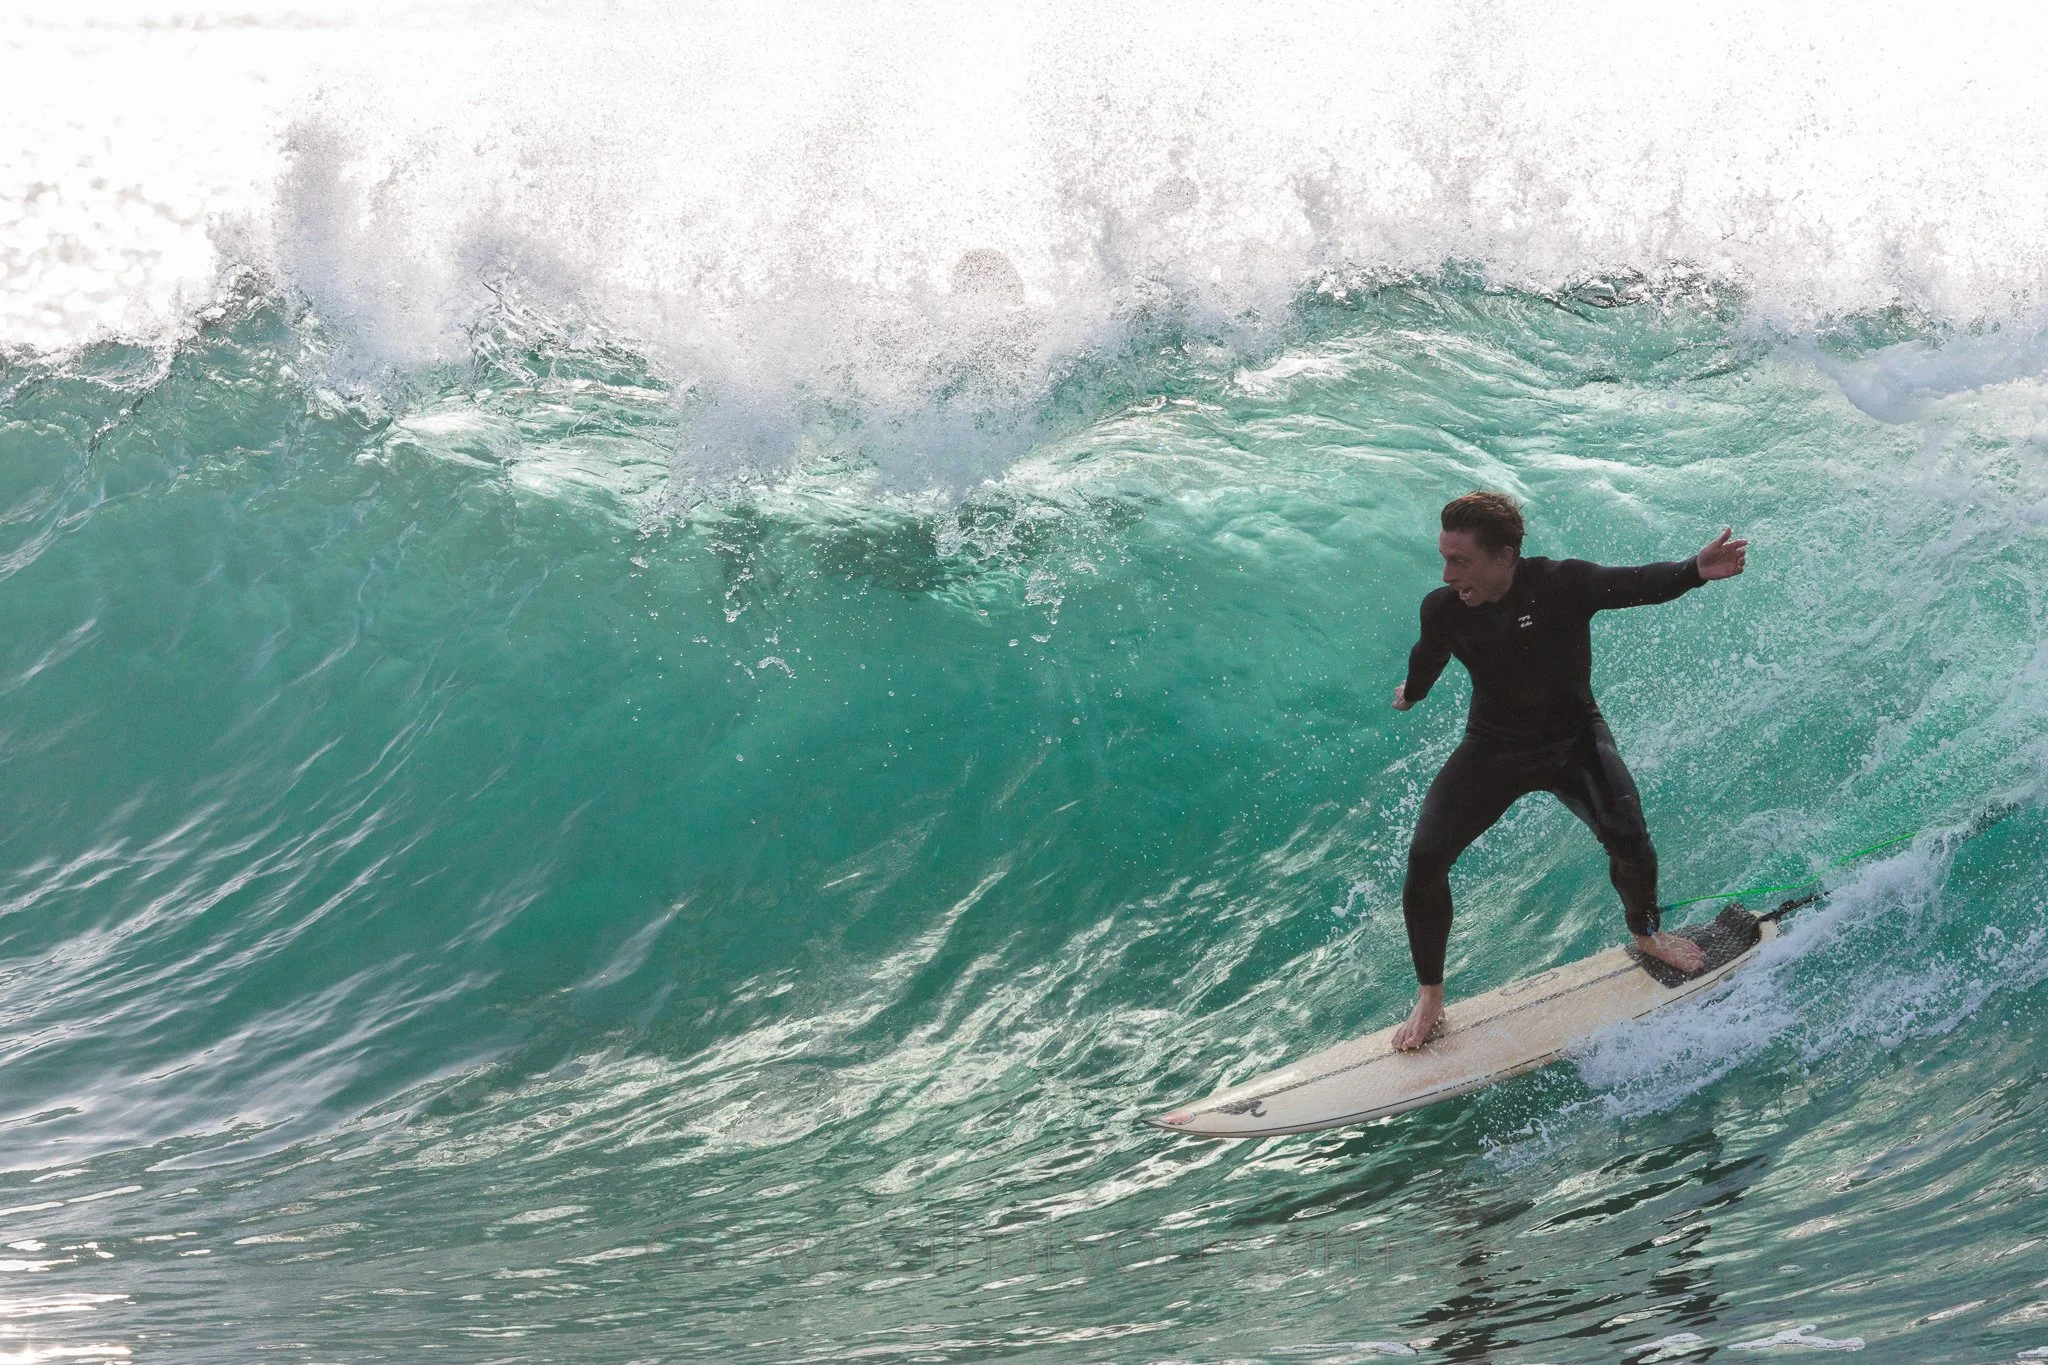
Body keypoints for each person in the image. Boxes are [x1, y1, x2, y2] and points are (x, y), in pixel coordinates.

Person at [1388, 491, 1748, 1051]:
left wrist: (1694, 571)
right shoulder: (1444, 608)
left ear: (1505, 556)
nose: (1448, 572)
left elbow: (1634, 584)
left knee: (1629, 836)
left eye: (1461, 560)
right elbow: (1429, 653)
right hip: (1494, 748)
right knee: (1426, 858)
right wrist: (1414, 692)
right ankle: (1431, 998)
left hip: (1573, 741)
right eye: (1444, 557)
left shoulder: (1560, 584)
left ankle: (1647, 935)